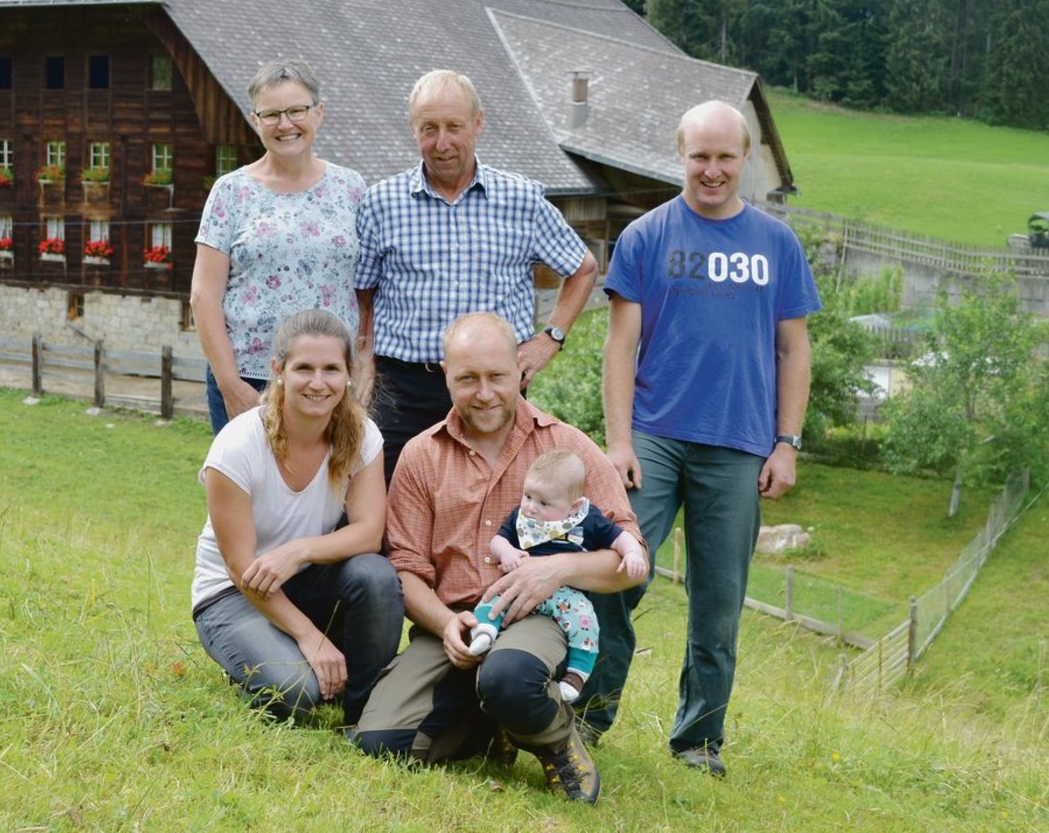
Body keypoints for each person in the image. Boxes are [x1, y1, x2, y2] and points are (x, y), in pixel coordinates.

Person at [588, 100, 822, 776]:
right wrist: (619, 441)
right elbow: (621, 345)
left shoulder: (777, 244)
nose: (712, 170)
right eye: (699, 156)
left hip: (739, 444)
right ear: (680, 155)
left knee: (718, 605)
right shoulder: (646, 237)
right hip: (654, 436)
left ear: (745, 159)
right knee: (617, 575)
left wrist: (787, 442)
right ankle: (586, 714)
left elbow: (793, 350)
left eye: (725, 157)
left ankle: (697, 741)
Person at [350, 312, 645, 805]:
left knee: (509, 676)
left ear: (519, 369)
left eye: (497, 377)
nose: (484, 392)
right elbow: (407, 568)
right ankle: (494, 724)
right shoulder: (421, 456)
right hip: (458, 623)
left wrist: (558, 568)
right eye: (467, 379)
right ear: (446, 373)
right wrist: (445, 624)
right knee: (381, 741)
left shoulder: (567, 448)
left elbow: (629, 558)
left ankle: (555, 740)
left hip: (539, 616)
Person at [354, 69, 599, 481]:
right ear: (414, 130)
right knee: (388, 506)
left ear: (478, 123)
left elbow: (583, 267)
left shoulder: (520, 199)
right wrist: (364, 356)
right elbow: (363, 291)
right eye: (428, 128)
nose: (442, 142)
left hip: (493, 390)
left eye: (454, 126)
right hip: (403, 389)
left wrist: (550, 338)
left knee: (493, 507)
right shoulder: (381, 203)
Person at [190, 309, 402, 725]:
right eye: (304, 368)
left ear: (348, 374)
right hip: (232, 594)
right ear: (279, 370)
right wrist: (309, 635)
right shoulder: (236, 446)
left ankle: (364, 709)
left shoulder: (362, 437)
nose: (318, 383)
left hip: (302, 577)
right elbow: (239, 566)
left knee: (375, 575)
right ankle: (265, 660)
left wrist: (298, 550)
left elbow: (369, 533)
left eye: (331, 369)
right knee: (296, 696)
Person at [191, 59, 366, 434]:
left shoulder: (351, 188)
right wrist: (229, 384)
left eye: (296, 111)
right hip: (250, 380)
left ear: (318, 113)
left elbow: (368, 290)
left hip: (331, 382)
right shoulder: (231, 192)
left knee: (333, 488)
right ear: (255, 121)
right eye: (271, 114)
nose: (285, 124)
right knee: (248, 490)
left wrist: (361, 371)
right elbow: (203, 296)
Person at [467, 448, 648, 705]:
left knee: (586, 623)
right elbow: (498, 540)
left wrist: (631, 554)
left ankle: (576, 674)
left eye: (543, 503)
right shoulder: (522, 517)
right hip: (520, 584)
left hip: (567, 594)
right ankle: (484, 632)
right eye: (528, 496)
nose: (531, 507)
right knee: (494, 597)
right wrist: (506, 552)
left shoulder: (588, 519)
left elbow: (620, 538)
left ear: (572, 505)